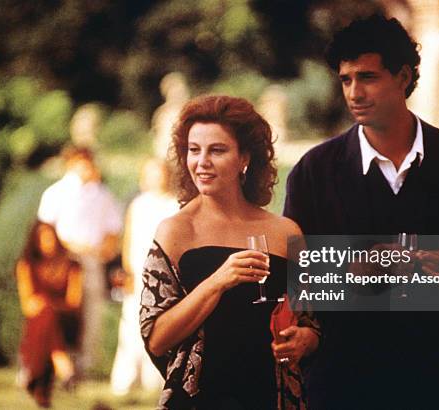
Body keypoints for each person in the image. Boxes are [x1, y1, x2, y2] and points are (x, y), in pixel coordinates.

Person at [283, 14, 439, 409]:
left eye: (368, 77)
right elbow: (298, 283)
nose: (354, 92)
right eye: (346, 79)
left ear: (404, 77)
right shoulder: (313, 172)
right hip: (344, 384)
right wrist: (354, 272)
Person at [140, 95, 320, 409]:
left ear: (244, 158)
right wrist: (218, 281)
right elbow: (156, 339)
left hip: (271, 397)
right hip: (199, 400)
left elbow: (312, 323)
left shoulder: (285, 232)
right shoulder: (176, 231)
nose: (202, 162)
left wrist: (305, 340)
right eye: (194, 150)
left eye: (217, 150)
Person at [37, 147, 123, 372]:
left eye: (88, 162)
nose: (86, 168)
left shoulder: (102, 194)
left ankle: (84, 365)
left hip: (92, 262)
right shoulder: (55, 193)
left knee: (91, 312)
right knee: (62, 312)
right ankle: (55, 364)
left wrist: (104, 249)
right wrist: (68, 248)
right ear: (70, 164)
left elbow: (114, 227)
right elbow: (44, 231)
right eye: (81, 163)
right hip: (63, 263)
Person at [110, 158, 177, 395]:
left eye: (158, 173)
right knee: (130, 326)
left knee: (161, 325)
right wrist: (128, 270)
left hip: (165, 275)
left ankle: (154, 380)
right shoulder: (137, 204)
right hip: (138, 272)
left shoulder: (175, 205)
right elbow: (128, 239)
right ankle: (124, 382)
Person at [16, 222, 82, 407]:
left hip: (65, 320)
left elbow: (73, 302)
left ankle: (31, 374)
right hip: (40, 321)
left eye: (50, 237)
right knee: (45, 317)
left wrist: (49, 305)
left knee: (47, 314)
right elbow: (27, 305)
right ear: (35, 242)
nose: (48, 242)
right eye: (43, 238)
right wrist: (46, 306)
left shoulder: (72, 265)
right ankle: (63, 366)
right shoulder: (27, 265)